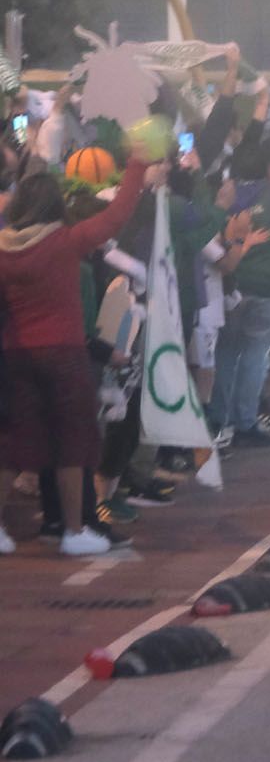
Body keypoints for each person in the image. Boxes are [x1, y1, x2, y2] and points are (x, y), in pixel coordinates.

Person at [0, 156, 151, 555]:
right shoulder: (65, 242)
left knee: (16, 444)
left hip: (16, 355)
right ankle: (73, 531)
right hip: (64, 355)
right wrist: (135, 165)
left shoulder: (3, 249)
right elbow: (117, 215)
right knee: (72, 442)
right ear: (55, 207)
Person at [209, 134, 270, 450]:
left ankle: (221, 419)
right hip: (267, 287)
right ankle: (246, 421)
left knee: (225, 354)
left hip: (232, 285)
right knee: (256, 357)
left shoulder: (227, 196)